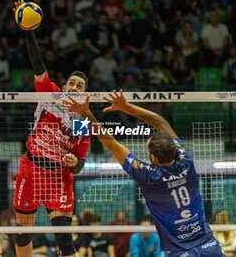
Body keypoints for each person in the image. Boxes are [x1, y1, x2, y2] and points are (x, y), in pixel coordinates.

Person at [62, 90, 225, 257]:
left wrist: (87, 113)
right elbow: (160, 122)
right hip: (208, 244)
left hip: (180, 252)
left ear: (153, 158)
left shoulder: (149, 176)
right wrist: (126, 107)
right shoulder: (186, 161)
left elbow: (111, 144)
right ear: (174, 150)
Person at [12, 0, 91, 257]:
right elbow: (37, 64)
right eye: (72, 83)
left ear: (85, 93)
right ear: (65, 86)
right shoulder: (51, 94)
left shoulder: (83, 119)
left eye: (80, 86)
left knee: (64, 240)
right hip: (31, 168)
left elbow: (79, 164)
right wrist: (29, 31)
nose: (75, 87)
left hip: (59, 177)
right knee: (23, 233)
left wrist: (73, 162)